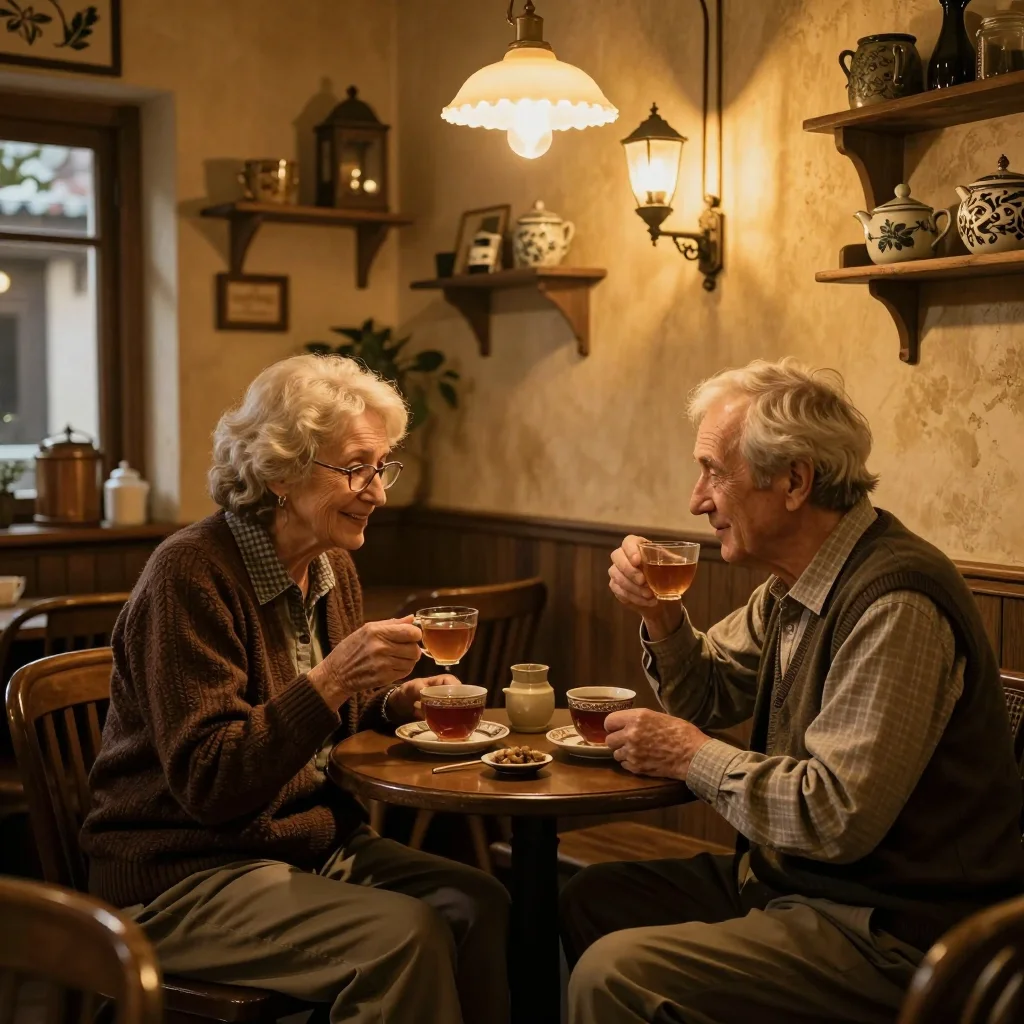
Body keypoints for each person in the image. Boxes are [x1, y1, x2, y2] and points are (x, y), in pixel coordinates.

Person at [561, 358, 1024, 1024]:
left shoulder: (895, 601)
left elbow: (834, 817)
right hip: (797, 888)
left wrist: (691, 757)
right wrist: (660, 615)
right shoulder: (794, 584)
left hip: (893, 933)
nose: (697, 499)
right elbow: (708, 694)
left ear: (794, 481)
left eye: (714, 472)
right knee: (590, 899)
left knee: (616, 975)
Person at [81, 354, 509, 1024]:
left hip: (305, 848)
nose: (379, 491)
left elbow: (329, 723)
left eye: (382, 465)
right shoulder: (189, 575)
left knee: (479, 902)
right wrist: (335, 674)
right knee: (401, 937)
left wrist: (397, 701)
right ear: (281, 472)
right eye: (356, 468)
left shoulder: (330, 564)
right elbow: (211, 782)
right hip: (184, 875)